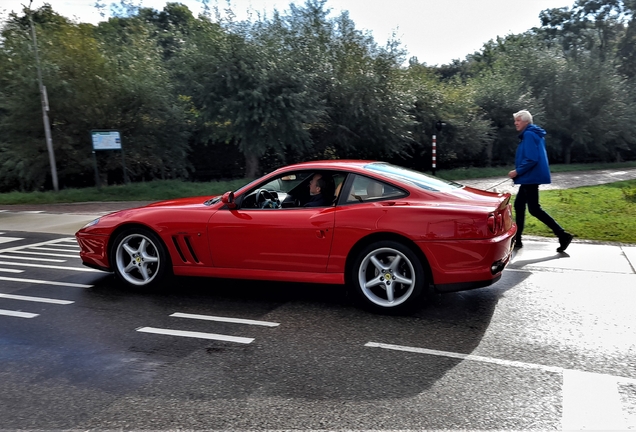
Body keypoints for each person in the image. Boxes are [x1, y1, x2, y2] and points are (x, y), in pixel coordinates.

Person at [508, 110, 573, 252]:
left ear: (526, 121)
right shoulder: (532, 134)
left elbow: (531, 158)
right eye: (515, 121)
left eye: (518, 120)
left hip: (530, 177)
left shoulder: (529, 135)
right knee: (519, 205)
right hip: (529, 177)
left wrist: (517, 171)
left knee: (534, 209)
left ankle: (562, 235)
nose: (515, 123)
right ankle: (517, 239)